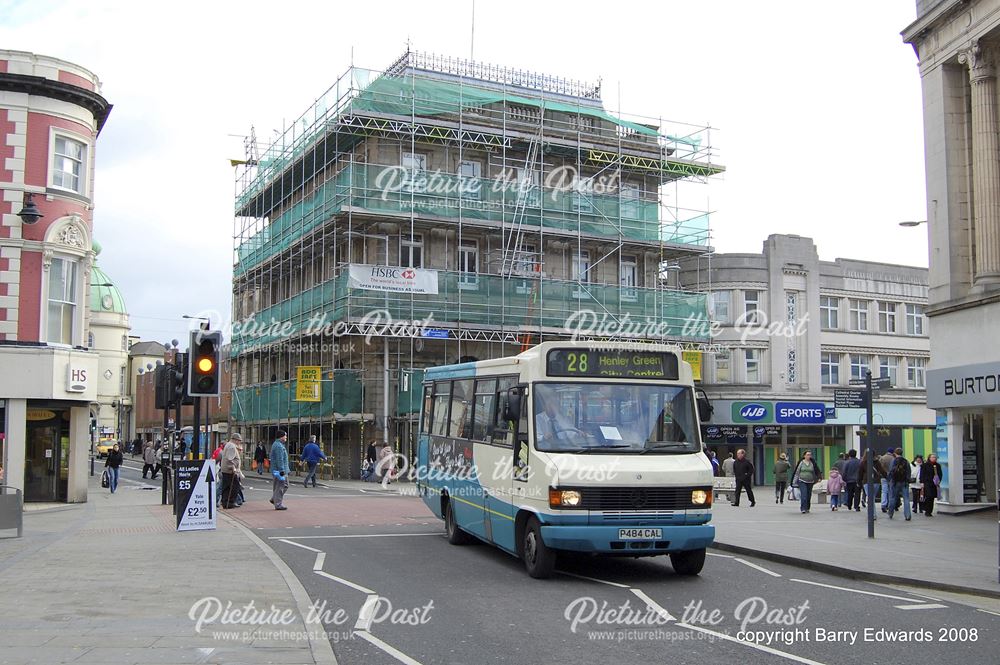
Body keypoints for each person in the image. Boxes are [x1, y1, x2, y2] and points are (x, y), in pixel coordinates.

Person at [886, 447, 912, 521]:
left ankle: (890, 513)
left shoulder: (893, 461)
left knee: (893, 498)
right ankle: (907, 515)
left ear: (895, 453)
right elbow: (908, 472)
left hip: (894, 482)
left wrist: (889, 480)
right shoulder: (906, 461)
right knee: (906, 499)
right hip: (904, 482)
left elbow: (891, 471)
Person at [220, 433, 245, 509]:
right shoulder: (232, 447)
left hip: (226, 470)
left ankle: (225, 502)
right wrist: (233, 468)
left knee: (227, 487)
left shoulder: (228, 445)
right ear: (235, 440)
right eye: (239, 441)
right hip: (230, 470)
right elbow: (230, 459)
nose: (239, 442)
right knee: (235, 486)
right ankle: (230, 502)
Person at [269, 431, 290, 510]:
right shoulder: (279, 446)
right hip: (280, 470)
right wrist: (282, 470)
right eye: (285, 436)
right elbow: (280, 459)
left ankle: (274, 499)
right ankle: (278, 504)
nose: (286, 437)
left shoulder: (277, 444)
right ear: (281, 436)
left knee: (281, 485)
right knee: (282, 486)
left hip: (277, 469)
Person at [878, 447, 896, 512]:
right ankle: (889, 504)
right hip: (891, 477)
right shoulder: (893, 458)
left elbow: (879, 467)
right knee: (890, 491)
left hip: (883, 476)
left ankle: (883, 504)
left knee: (884, 491)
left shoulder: (882, 458)